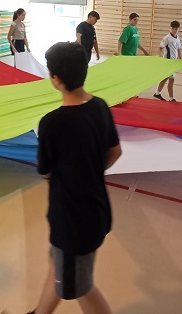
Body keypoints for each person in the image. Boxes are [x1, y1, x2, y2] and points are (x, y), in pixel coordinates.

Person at [14, 42, 121, 314]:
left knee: (79, 286)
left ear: (55, 79)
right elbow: (115, 151)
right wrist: (89, 172)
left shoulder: (52, 123)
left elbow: (46, 171)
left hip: (72, 221)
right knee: (58, 269)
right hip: (96, 210)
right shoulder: (100, 107)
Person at [154, 21, 181, 101]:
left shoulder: (177, 38)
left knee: (166, 78)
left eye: (176, 29)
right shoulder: (167, 38)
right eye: (173, 29)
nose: (174, 30)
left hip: (174, 62)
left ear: (178, 29)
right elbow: (160, 47)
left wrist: (180, 58)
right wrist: (160, 56)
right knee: (171, 79)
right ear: (170, 28)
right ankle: (171, 98)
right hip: (168, 62)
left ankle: (157, 94)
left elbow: (178, 49)